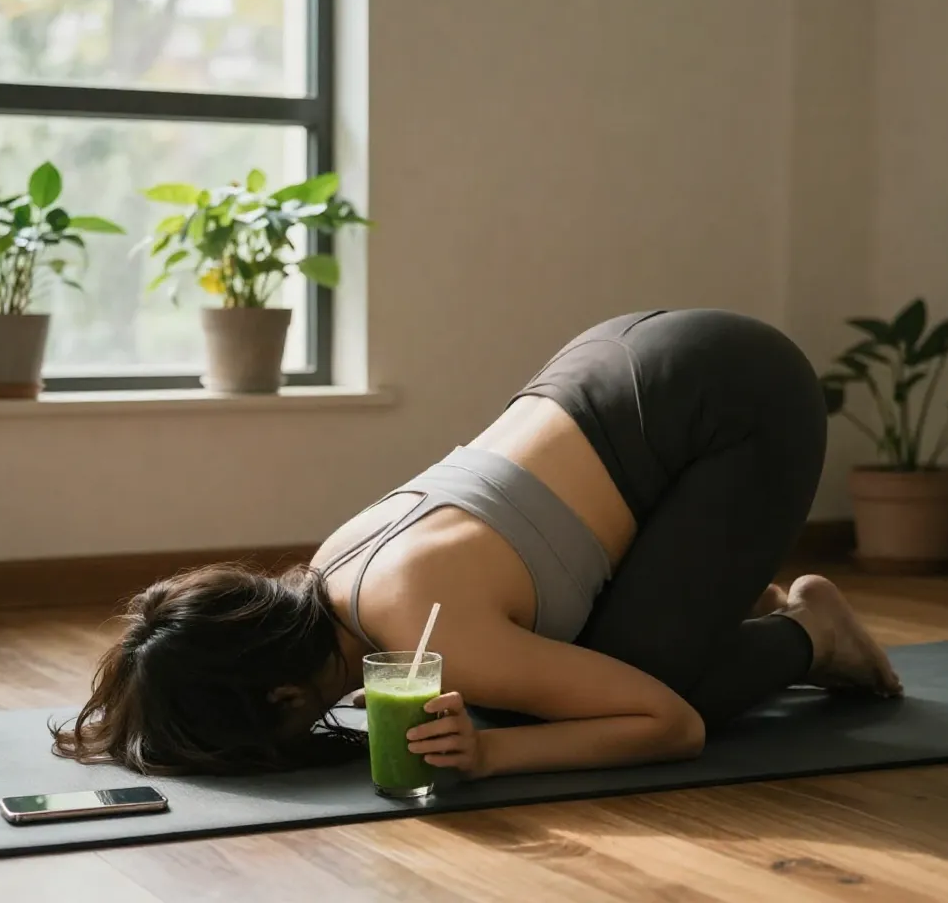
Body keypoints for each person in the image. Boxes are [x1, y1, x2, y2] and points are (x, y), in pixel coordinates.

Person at [53, 309, 902, 779]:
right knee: (536, 686)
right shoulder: (332, 569)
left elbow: (669, 725)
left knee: (633, 692)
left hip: (738, 397)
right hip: (627, 355)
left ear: (280, 697)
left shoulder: (431, 629)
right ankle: (731, 598)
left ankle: (814, 632)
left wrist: (492, 753)